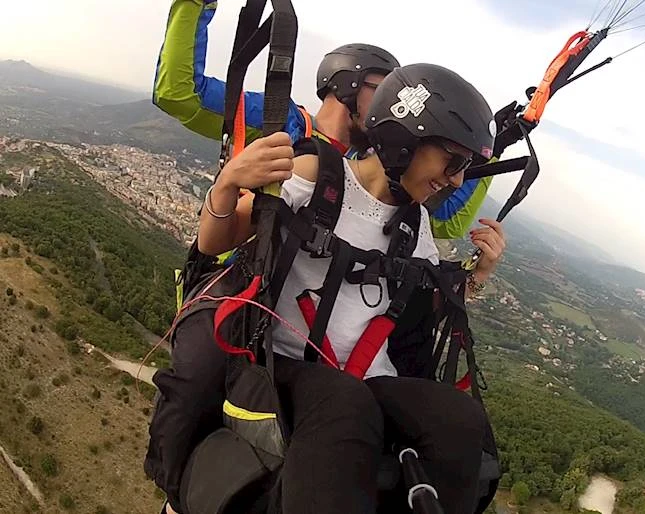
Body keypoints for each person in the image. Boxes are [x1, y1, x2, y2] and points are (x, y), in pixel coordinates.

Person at [145, 62, 506, 514]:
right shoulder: (317, 176)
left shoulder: (416, 225)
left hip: (369, 378)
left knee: (459, 419)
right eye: (453, 161)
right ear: (406, 136)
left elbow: (423, 306)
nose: (455, 179)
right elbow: (216, 242)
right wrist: (229, 184)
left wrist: (477, 277)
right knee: (343, 404)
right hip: (286, 367)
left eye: (465, 167)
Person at [153, 0, 496, 240]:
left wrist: (488, 154)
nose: (393, 106)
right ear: (347, 83)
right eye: (383, 90)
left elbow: (442, 220)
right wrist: (196, 4)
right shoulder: (281, 120)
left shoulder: (372, 166)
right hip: (235, 293)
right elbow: (180, 94)